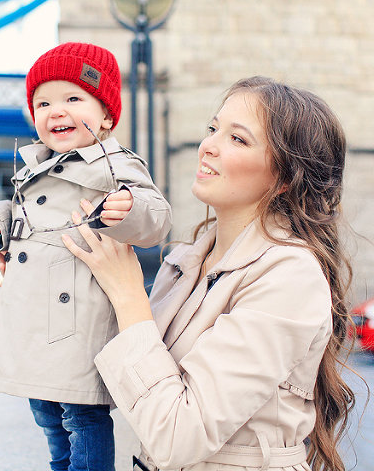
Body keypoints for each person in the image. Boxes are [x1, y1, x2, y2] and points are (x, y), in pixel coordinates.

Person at [61, 76, 358, 471]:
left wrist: (129, 294)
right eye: (213, 129)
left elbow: (178, 436)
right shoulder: (185, 262)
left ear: (285, 178)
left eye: (238, 139)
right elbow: (129, 383)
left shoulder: (290, 275)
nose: (209, 146)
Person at [0, 42, 172, 471]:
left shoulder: (113, 162)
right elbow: (36, 220)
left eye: (73, 98)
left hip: (77, 315)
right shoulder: (34, 167)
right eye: (43, 103)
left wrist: (129, 208)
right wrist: (1, 220)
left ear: (106, 116)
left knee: (81, 415)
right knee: (45, 413)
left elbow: (157, 220)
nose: (55, 111)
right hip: (35, 314)